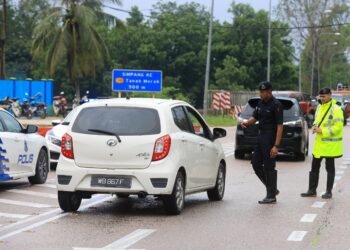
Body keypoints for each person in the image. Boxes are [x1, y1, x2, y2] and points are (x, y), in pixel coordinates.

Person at [241, 81, 283, 204]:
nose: (261, 94)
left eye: (263, 92)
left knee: (269, 166)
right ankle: (272, 189)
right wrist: (247, 123)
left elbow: (280, 126)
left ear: (269, 92)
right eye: (260, 92)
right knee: (255, 164)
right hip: (260, 137)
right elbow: (255, 117)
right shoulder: (260, 103)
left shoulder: (276, 105)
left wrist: (276, 145)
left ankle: (271, 195)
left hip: (270, 137)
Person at [301, 87, 344, 199]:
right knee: (314, 167)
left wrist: (323, 131)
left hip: (330, 145)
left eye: (324, 96)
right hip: (319, 144)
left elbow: (338, 127)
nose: (322, 98)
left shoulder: (336, 108)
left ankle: (328, 192)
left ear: (330, 95)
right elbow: (317, 119)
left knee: (330, 169)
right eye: (320, 96)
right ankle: (311, 190)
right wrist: (315, 126)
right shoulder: (320, 106)